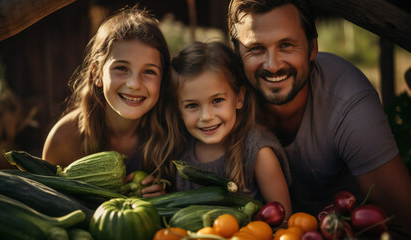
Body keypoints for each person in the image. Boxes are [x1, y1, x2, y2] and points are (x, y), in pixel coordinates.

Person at [228, 0, 411, 237]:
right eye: (255, 48)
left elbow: (403, 222)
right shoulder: (218, 101)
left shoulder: (348, 101)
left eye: (286, 45)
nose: (272, 65)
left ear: (312, 46)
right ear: (236, 54)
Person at [42, 7, 174, 198]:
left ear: (163, 79)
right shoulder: (64, 140)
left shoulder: (170, 132)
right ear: (96, 73)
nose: (134, 84)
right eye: (121, 68)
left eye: (149, 71)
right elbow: (47, 203)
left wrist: (165, 198)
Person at [166, 41, 293, 218]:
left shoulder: (257, 152)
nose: (206, 116)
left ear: (239, 98)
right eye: (192, 105)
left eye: (217, 100)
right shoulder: (178, 151)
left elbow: (284, 220)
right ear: (178, 109)